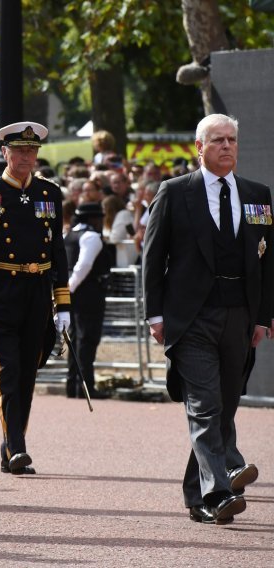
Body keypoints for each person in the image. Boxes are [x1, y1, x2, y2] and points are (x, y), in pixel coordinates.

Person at [143, 113, 273, 525]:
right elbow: (153, 255)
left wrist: (263, 316)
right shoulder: (175, 191)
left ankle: (196, 494)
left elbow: (268, 262)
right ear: (199, 147)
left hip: (239, 315)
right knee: (204, 405)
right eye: (217, 140)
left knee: (225, 407)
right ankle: (220, 490)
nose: (226, 147)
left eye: (232, 139)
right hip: (191, 317)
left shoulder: (257, 195)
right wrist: (155, 313)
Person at [0, 121, 70, 476]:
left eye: (32, 151)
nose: (26, 157)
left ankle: (11, 445)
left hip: (37, 291)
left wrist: (63, 301)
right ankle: (18, 446)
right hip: (2, 290)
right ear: (4, 152)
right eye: (19, 150)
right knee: (7, 369)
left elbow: (58, 250)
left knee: (27, 372)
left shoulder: (50, 193)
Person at [64, 202, 113, 399]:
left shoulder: (68, 235)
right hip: (88, 293)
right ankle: (86, 387)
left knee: (76, 339)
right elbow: (83, 265)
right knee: (87, 339)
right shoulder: (91, 236)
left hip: (73, 292)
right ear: (92, 219)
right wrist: (71, 287)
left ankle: (73, 386)